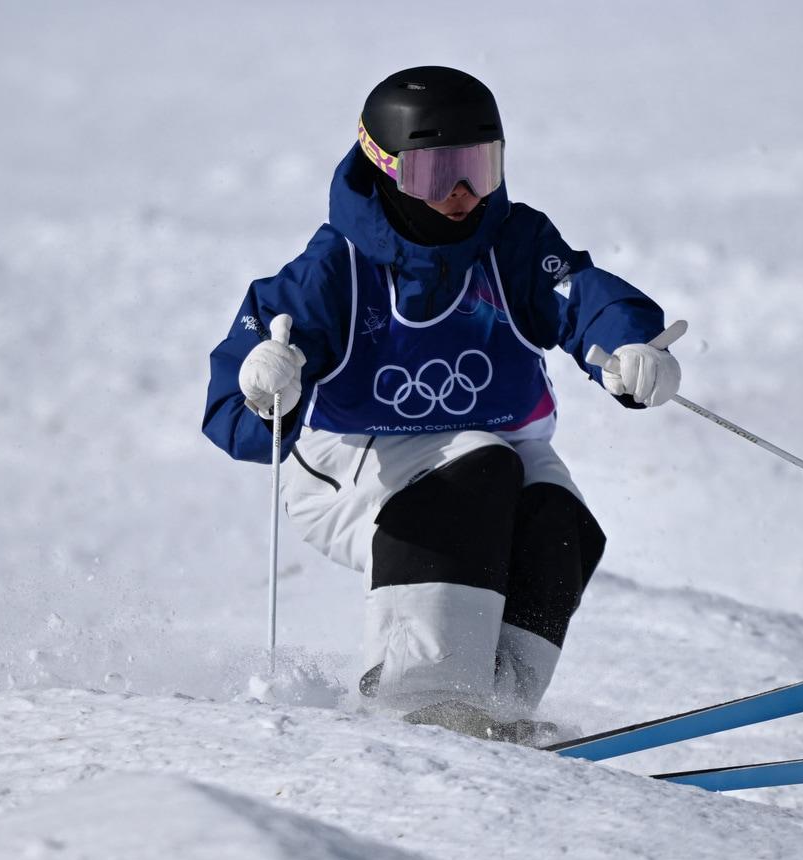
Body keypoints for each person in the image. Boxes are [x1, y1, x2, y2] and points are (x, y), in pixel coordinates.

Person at [202, 66, 681, 741]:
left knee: (558, 521)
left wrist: (631, 346)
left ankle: (496, 706)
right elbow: (250, 372)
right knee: (476, 470)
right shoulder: (337, 266)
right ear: (386, 171)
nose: (461, 196)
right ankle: (418, 703)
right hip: (350, 460)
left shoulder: (510, 244)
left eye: (478, 169)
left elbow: (581, 295)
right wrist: (262, 384)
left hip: (496, 453)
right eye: (434, 176)